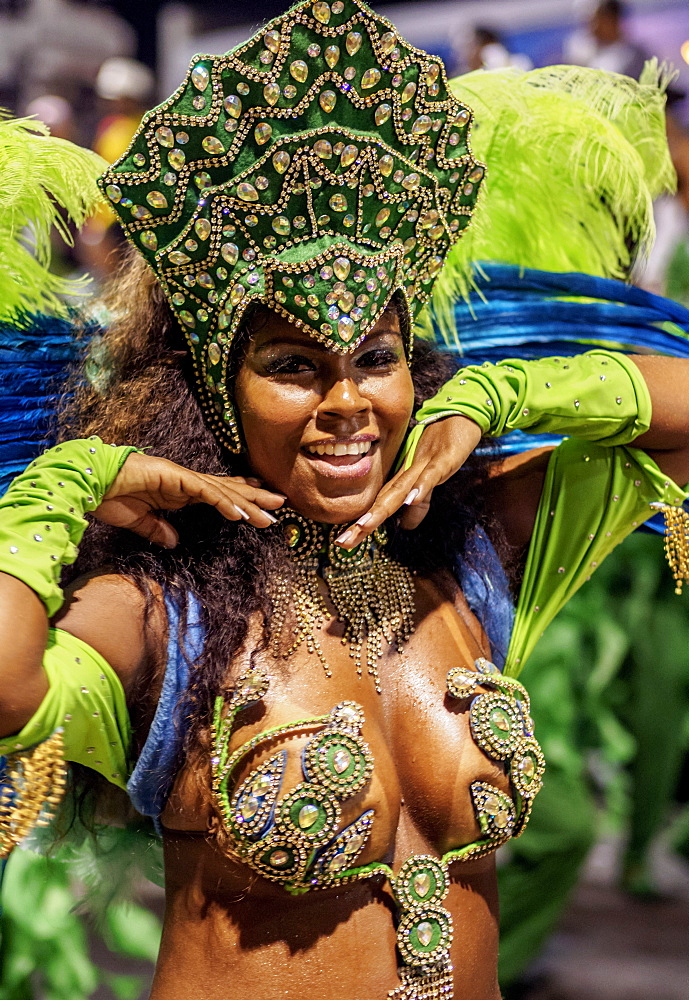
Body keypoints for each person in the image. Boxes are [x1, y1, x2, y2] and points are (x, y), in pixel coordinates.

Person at [1, 3, 689, 998]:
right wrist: (71, 480)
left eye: (375, 360)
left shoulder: (471, 556)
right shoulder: (165, 610)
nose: (346, 404)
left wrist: (495, 395)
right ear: (218, 392)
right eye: (293, 367)